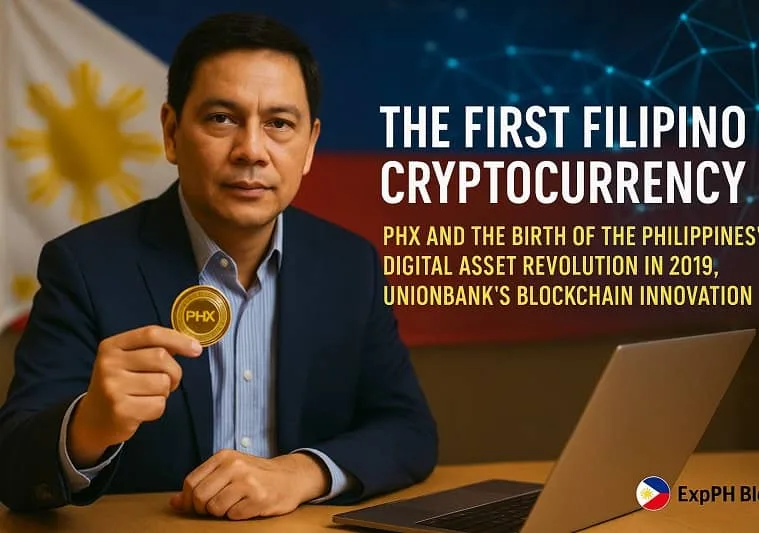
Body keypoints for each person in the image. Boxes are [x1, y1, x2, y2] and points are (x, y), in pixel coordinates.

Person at [0, 12, 438, 520]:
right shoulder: (83, 265)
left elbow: (409, 429)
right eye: (221, 119)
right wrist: (88, 428)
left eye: (279, 123)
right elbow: (12, 468)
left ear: (310, 146)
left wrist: (301, 472)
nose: (251, 150)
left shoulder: (349, 264)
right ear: (171, 132)